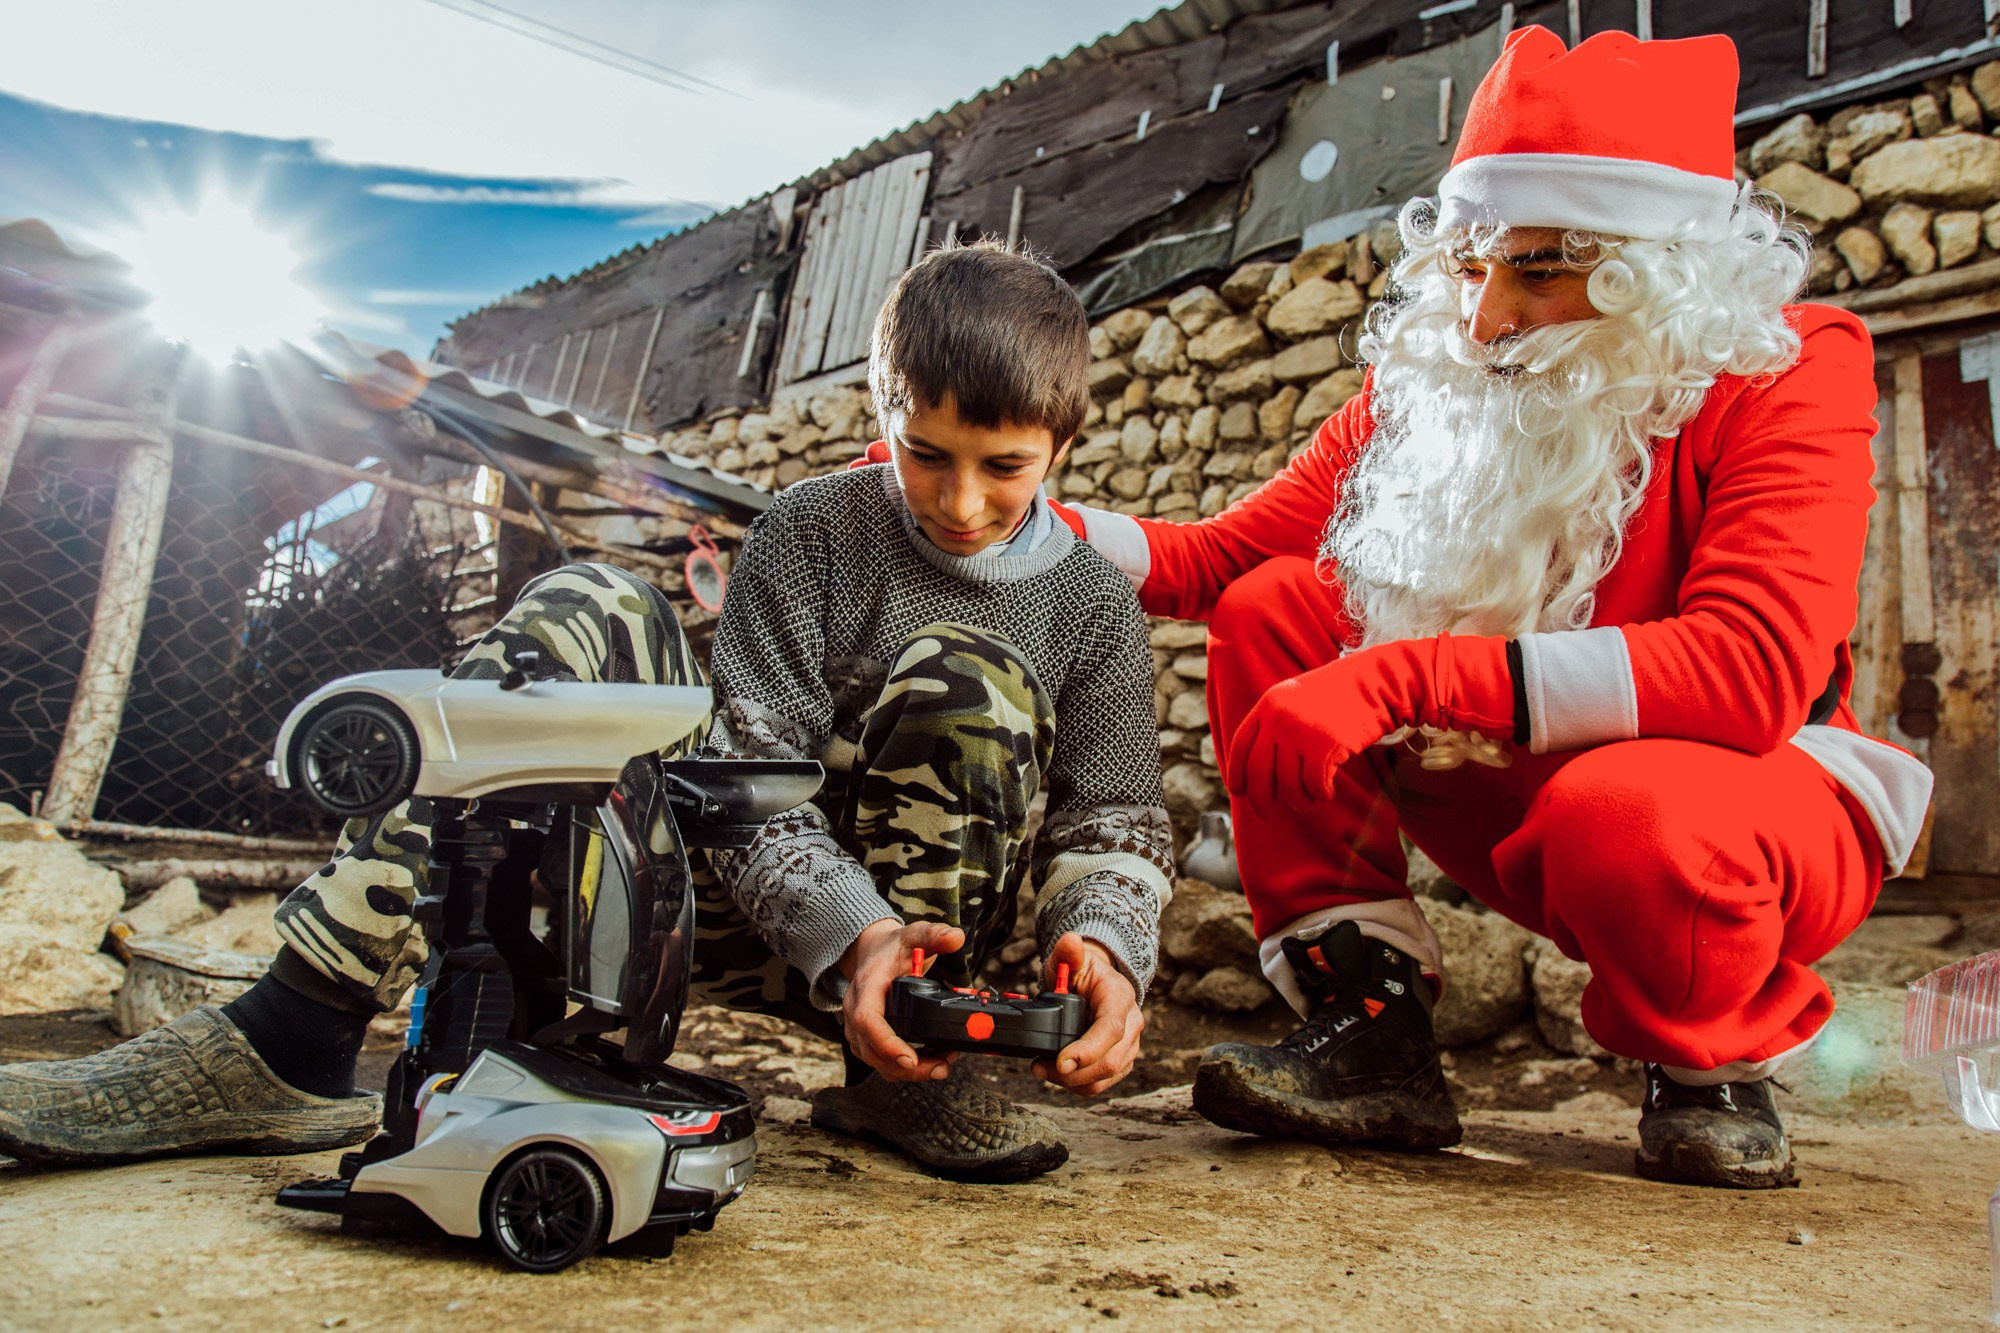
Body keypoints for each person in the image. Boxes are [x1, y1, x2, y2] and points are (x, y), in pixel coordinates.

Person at [0, 241, 1172, 1185]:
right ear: (885, 405)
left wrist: (1110, 947)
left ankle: (910, 1075)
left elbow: (1115, 822)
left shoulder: (1090, 606)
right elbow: (750, 778)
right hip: (728, 917)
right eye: (925, 453)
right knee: (588, 599)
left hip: (941, 967)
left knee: (967, 674)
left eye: (1004, 466)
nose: (960, 500)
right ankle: (294, 1031)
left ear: (1062, 443)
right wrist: (853, 932)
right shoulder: (810, 530)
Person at [1054, 26, 1931, 1189]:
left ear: (1656, 272)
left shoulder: (1785, 365)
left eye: (1539, 269)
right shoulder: (1432, 377)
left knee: (1623, 811)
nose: (1483, 320)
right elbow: (1215, 560)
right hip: (1515, 780)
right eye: (1471, 264)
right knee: (1277, 605)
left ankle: (1709, 1065)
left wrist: (1400, 677)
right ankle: (1370, 1032)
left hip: (1739, 800)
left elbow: (1747, 670)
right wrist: (988, 505)